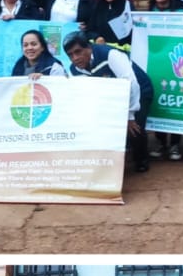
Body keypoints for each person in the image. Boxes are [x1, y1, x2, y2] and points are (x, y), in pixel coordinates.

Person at [62, 33, 154, 174]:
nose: (75, 58)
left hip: (140, 90)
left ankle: (141, 159)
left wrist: (130, 115)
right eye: (70, 55)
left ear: (89, 47)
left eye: (78, 52)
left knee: (134, 127)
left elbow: (132, 84)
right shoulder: (75, 70)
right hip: (112, 96)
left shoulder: (110, 55)